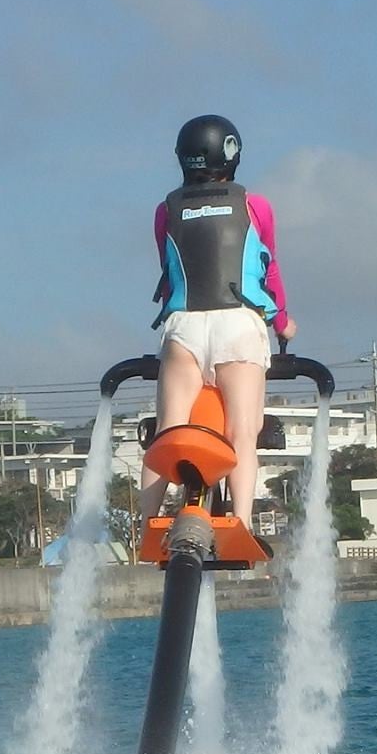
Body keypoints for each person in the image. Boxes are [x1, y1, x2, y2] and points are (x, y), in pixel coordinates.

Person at [141, 114, 297, 520]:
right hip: (239, 326)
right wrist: (283, 324)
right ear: (232, 153)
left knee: (168, 431)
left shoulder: (165, 210)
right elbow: (269, 270)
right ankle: (240, 522)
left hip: (184, 326)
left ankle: (148, 526)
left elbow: (170, 273)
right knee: (242, 433)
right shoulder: (254, 205)